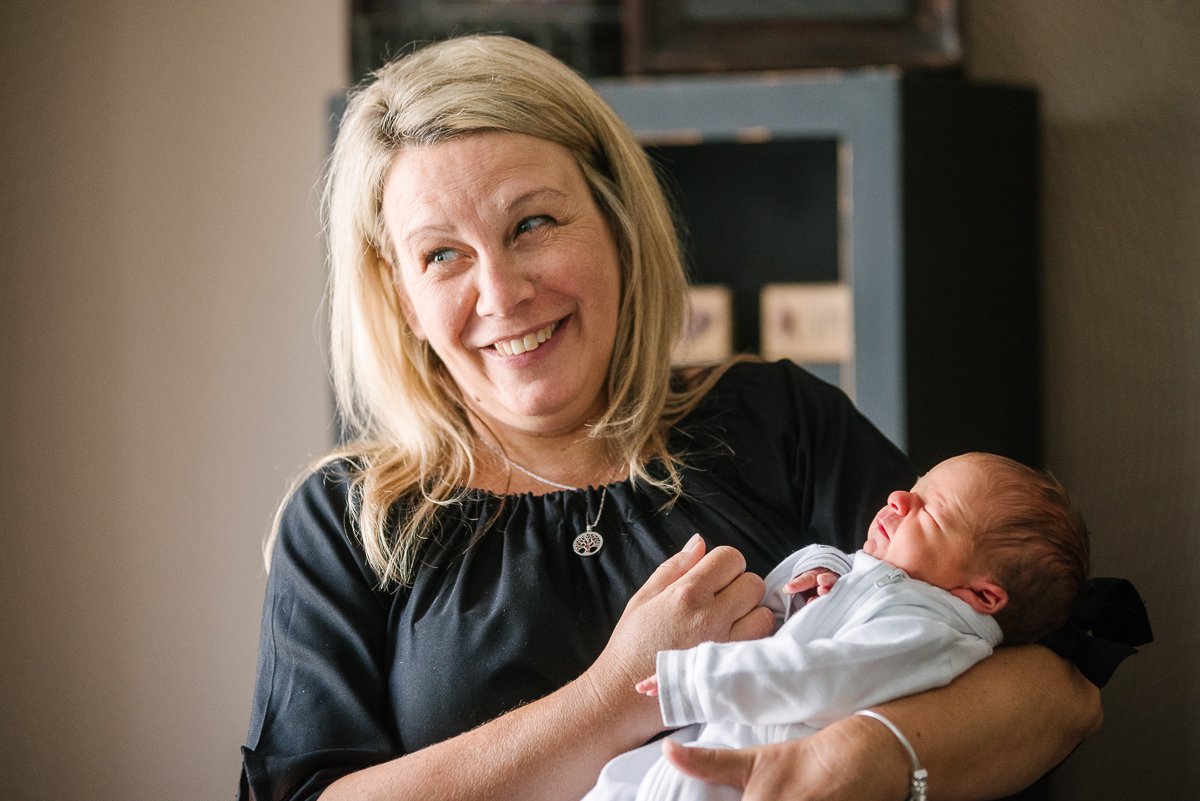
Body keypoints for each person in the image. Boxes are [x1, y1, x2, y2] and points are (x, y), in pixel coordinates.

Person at [237, 34, 1108, 801]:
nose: (501, 294)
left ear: (616, 219)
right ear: (400, 295)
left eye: (533, 222)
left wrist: (873, 756)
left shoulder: (776, 422)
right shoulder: (351, 519)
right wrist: (618, 694)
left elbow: (1057, 682)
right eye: (441, 255)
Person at [582, 452, 1090, 801]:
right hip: (720, 742)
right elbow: (775, 609)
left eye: (931, 511)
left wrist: (695, 679)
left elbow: (820, 673)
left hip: (757, 773)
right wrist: (817, 577)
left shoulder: (929, 633)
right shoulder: (894, 587)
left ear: (982, 595)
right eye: (916, 488)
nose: (899, 499)